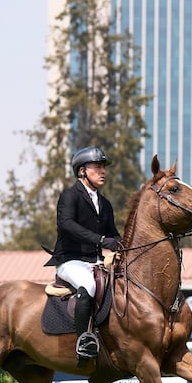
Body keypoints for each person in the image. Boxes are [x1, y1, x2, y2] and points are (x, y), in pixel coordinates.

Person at [44, 146, 120, 359]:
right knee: (88, 285)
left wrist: (124, 248)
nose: (103, 171)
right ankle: (83, 339)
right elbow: (66, 224)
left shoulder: (105, 204)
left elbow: (113, 234)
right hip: (71, 260)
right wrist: (101, 240)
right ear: (82, 171)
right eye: (97, 167)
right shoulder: (70, 196)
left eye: (104, 167)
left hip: (96, 261)